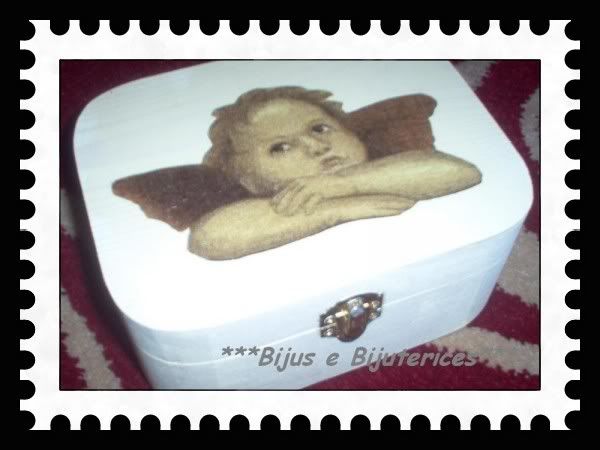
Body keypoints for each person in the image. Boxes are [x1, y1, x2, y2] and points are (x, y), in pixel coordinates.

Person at [189, 87, 482, 260]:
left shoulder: (394, 166)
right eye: (281, 148)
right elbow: (209, 237)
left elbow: (461, 171)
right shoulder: (263, 207)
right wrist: (339, 208)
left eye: (320, 128)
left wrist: (341, 184)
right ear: (249, 181)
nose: (317, 147)